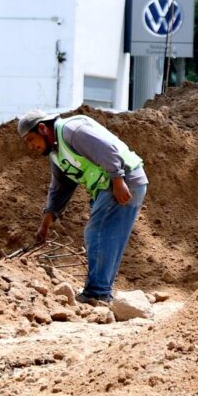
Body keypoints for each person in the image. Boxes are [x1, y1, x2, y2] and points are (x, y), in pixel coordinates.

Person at [26, 110, 150, 307]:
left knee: (97, 232)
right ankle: (101, 291)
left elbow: (106, 150)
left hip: (122, 181)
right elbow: (59, 188)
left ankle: (97, 293)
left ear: (42, 128)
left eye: (31, 139)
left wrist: (118, 180)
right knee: (107, 236)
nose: (31, 146)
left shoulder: (71, 130)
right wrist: (45, 224)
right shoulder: (56, 153)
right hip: (108, 185)